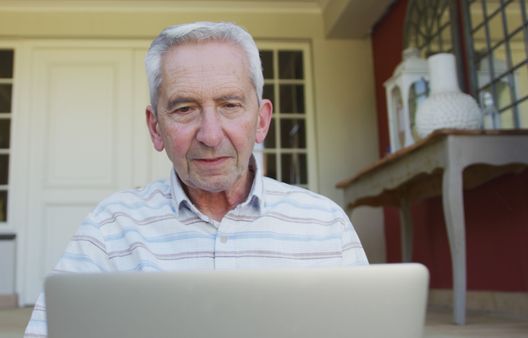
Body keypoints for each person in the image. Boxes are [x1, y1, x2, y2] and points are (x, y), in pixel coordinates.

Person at [24, 21, 368, 337]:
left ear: (261, 121)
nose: (210, 135)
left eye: (230, 104)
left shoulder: (324, 224)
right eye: (184, 108)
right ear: (155, 128)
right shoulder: (110, 227)